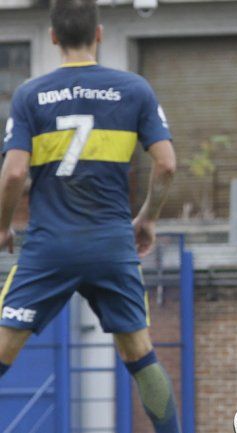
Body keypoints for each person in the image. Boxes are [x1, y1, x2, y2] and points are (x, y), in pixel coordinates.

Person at [0, 1, 180, 432]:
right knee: (140, 353)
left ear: (52, 36)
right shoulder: (134, 89)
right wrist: (148, 218)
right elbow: (168, 163)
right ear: (99, 33)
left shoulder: (30, 94)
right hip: (112, 245)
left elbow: (14, 172)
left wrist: (2, 225)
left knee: (4, 347)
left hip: (49, 247)